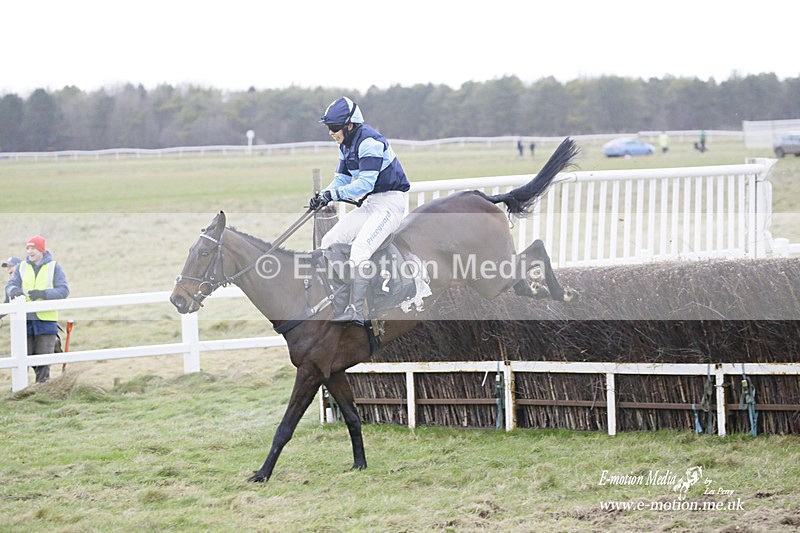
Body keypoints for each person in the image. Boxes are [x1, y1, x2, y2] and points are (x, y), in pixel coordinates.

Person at [310, 97, 410, 326]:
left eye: (334, 127)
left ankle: (357, 311)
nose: (331, 132)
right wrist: (322, 195)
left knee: (360, 249)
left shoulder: (369, 142)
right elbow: (341, 180)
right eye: (329, 128)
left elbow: (365, 184)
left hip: (389, 204)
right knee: (329, 242)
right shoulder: (345, 144)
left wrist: (332, 195)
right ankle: (340, 303)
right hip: (371, 204)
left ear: (350, 125)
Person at [5, 236, 69, 383]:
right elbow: (11, 285)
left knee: (43, 363)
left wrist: (43, 294)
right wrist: (14, 290)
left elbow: (63, 291)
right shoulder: (22, 267)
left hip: (46, 322)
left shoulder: (54, 267)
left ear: (41, 250)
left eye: (33, 248)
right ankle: (20, 390)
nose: (30, 251)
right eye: (28, 248)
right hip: (24, 321)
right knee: (22, 359)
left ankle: (42, 391)